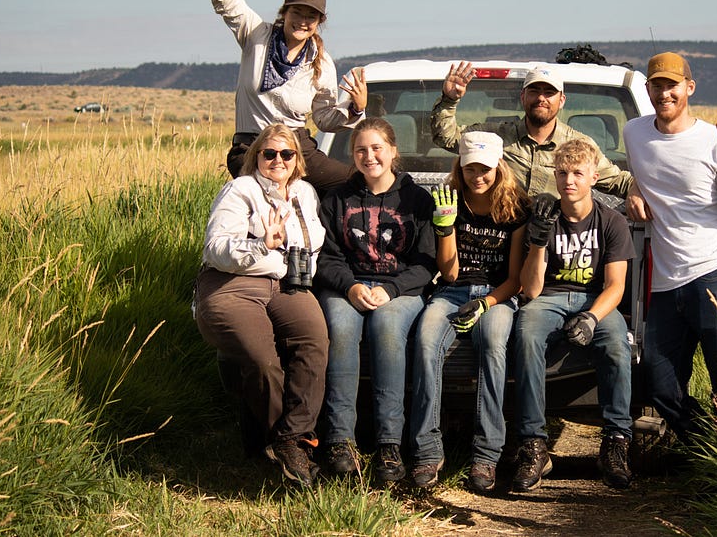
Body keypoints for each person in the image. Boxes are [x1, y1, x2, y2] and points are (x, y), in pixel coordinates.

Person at [622, 51, 717, 445]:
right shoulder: (634, 133)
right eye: (657, 85)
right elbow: (640, 173)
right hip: (664, 285)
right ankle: (711, 451)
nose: (665, 93)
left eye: (672, 85)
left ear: (689, 89)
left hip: (716, 274)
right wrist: (632, 187)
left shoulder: (715, 141)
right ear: (647, 90)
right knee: (662, 389)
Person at [195, 0, 367, 194]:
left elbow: (323, 117)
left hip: (297, 146)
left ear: (319, 22)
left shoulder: (321, 62)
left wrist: (355, 108)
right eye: (296, 13)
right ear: (284, 13)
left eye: (310, 16)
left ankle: (330, 238)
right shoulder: (256, 35)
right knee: (270, 193)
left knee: (356, 183)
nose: (302, 21)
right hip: (252, 146)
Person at [193, 123, 328, 487]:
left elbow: (313, 246)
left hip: (287, 283)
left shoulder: (306, 193)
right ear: (257, 156)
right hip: (234, 284)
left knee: (314, 342)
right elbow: (215, 248)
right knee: (263, 361)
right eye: (270, 153)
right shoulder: (240, 190)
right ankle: (287, 445)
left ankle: (290, 439)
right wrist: (261, 245)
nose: (278, 160)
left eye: (287, 153)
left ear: (297, 159)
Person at [314, 117, 436, 483]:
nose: (370, 156)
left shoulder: (417, 199)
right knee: (339, 328)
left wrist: (393, 289)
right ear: (352, 155)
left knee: (386, 329)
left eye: (377, 148)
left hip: (399, 288)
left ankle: (388, 445)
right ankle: (339, 442)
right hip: (346, 287)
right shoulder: (336, 200)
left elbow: (426, 262)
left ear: (393, 151)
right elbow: (326, 257)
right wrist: (350, 287)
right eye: (361, 150)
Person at [511, 139, 635, 492]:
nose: (569, 180)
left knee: (615, 343)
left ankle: (615, 442)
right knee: (527, 334)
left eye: (578, 173)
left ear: (594, 177)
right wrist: (537, 244)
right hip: (548, 298)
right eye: (562, 172)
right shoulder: (545, 216)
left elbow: (616, 286)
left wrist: (591, 318)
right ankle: (534, 443)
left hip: (595, 300)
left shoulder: (611, 221)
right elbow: (531, 290)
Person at [408, 132, 529, 492]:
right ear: (459, 167)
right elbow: (449, 273)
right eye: (470, 168)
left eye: (486, 169)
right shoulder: (450, 201)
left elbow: (516, 280)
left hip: (497, 295)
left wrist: (486, 303)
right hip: (453, 290)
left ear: (499, 168)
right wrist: (444, 228)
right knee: (427, 341)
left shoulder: (516, 209)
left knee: (493, 343)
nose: (478, 176)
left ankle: (486, 454)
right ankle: (427, 450)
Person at [430, 63, 646, 219]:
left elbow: (620, 182)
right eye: (534, 91)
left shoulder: (579, 146)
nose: (541, 98)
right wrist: (450, 99)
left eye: (549, 92)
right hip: (499, 242)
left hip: (553, 247)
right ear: (523, 97)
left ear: (561, 100)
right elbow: (446, 136)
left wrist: (637, 191)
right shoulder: (495, 137)